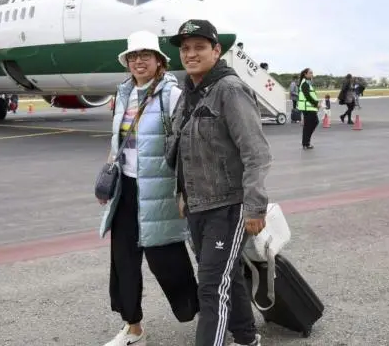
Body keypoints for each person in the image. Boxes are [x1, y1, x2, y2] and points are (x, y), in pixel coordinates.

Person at [165, 19, 271, 346]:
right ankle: (247, 338)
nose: (190, 54)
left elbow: (256, 153)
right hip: (198, 204)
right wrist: (182, 193)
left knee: (212, 287)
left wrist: (255, 207)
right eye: (185, 48)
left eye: (199, 47)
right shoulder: (189, 92)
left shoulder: (230, 90)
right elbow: (183, 147)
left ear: (216, 50)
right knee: (227, 274)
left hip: (229, 205)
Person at [99, 30, 199, 346]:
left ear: (159, 61)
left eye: (145, 55)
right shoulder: (124, 94)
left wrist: (184, 191)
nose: (138, 61)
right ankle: (133, 328)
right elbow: (119, 140)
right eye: (133, 56)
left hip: (159, 191)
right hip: (125, 190)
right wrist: (109, 175)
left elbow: (185, 146)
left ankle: (204, 314)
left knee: (167, 261)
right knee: (124, 261)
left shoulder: (172, 95)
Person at [298, 68, 320, 149]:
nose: (311, 74)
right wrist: (316, 104)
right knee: (312, 124)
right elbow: (308, 96)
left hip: (309, 108)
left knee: (309, 125)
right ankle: (306, 143)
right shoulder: (304, 84)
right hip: (307, 108)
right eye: (310, 73)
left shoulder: (307, 83)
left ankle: (306, 143)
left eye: (312, 73)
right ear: (305, 74)